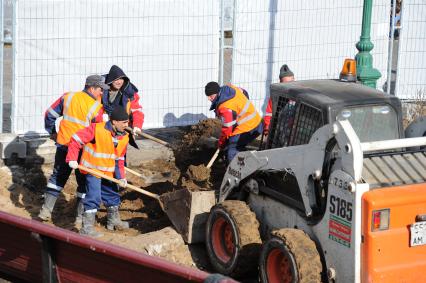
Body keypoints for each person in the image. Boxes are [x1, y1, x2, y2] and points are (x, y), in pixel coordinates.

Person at [39, 75, 108, 222]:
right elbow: (98, 132)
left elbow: (49, 114)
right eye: (100, 89)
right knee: (84, 183)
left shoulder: (68, 97)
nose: (102, 93)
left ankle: (45, 211)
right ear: (92, 87)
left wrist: (52, 132)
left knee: (57, 177)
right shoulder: (96, 108)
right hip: (82, 150)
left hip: (64, 145)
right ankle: (79, 217)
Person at [66, 107, 130, 237]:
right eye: (124, 122)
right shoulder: (97, 129)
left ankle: (113, 221)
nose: (126, 125)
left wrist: (121, 177)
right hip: (93, 169)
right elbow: (76, 139)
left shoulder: (124, 138)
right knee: (94, 197)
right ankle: (87, 228)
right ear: (114, 122)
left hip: (108, 172)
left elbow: (119, 160)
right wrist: (72, 158)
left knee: (112, 194)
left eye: (127, 122)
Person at [205, 82, 262, 163]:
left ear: (217, 93)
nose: (209, 98)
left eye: (211, 96)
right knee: (234, 143)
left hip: (249, 127)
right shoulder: (230, 88)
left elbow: (227, 129)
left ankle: (235, 172)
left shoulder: (225, 107)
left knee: (232, 150)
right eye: (208, 96)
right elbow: (244, 92)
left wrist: (221, 143)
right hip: (257, 121)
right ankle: (247, 160)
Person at [102, 65, 144, 135]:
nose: (119, 82)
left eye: (121, 79)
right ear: (110, 80)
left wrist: (137, 125)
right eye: (116, 79)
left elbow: (136, 110)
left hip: (123, 128)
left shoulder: (129, 93)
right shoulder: (101, 91)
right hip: (104, 127)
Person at [263, 64, 295, 136]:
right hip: (280, 129)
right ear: (281, 83)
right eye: (286, 83)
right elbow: (269, 114)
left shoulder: (300, 95)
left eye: (291, 82)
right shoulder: (275, 97)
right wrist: (267, 129)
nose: (289, 86)